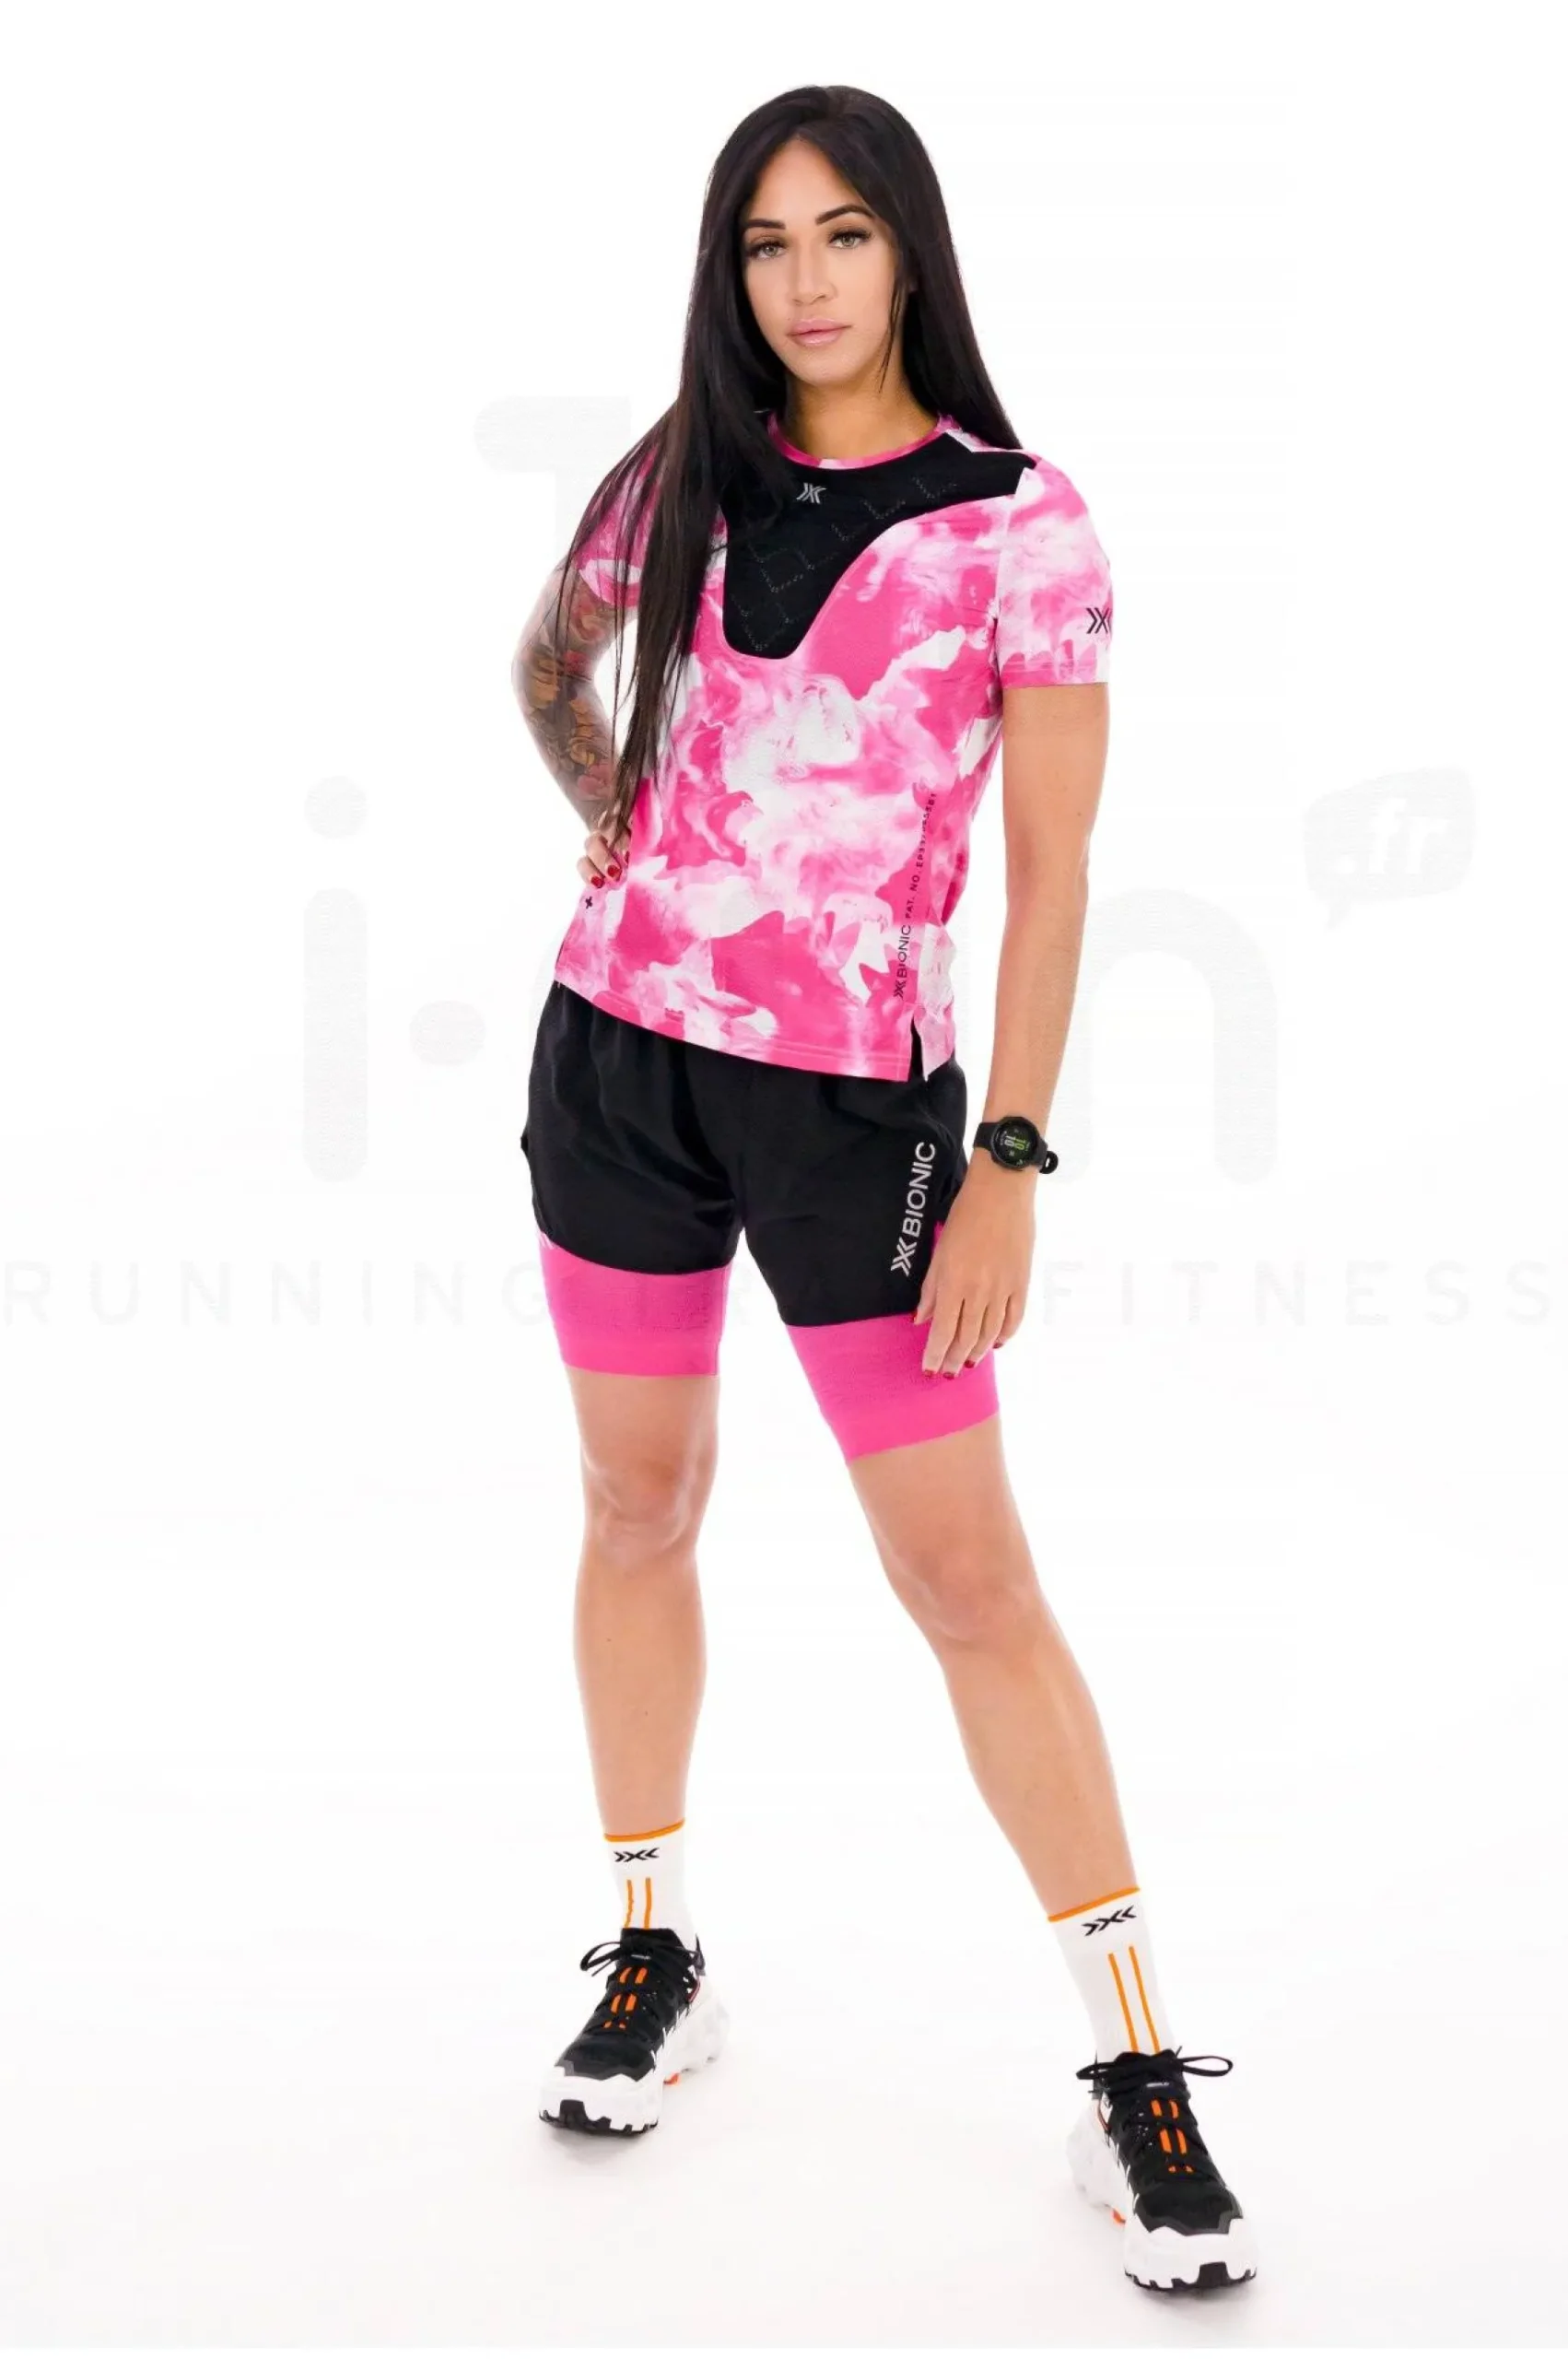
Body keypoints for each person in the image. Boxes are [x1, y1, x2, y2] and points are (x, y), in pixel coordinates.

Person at [510, 84, 1258, 2298]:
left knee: (966, 1575)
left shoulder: (1022, 524)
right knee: (634, 1503)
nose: (804, 279)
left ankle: (1133, 2066)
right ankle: (651, 1946)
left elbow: (1053, 879)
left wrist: (1007, 1157)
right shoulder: (682, 467)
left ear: (908, 249)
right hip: (616, 1062)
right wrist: (608, 809)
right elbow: (549, 662)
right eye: (764, 243)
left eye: (841, 233)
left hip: (857, 1116)